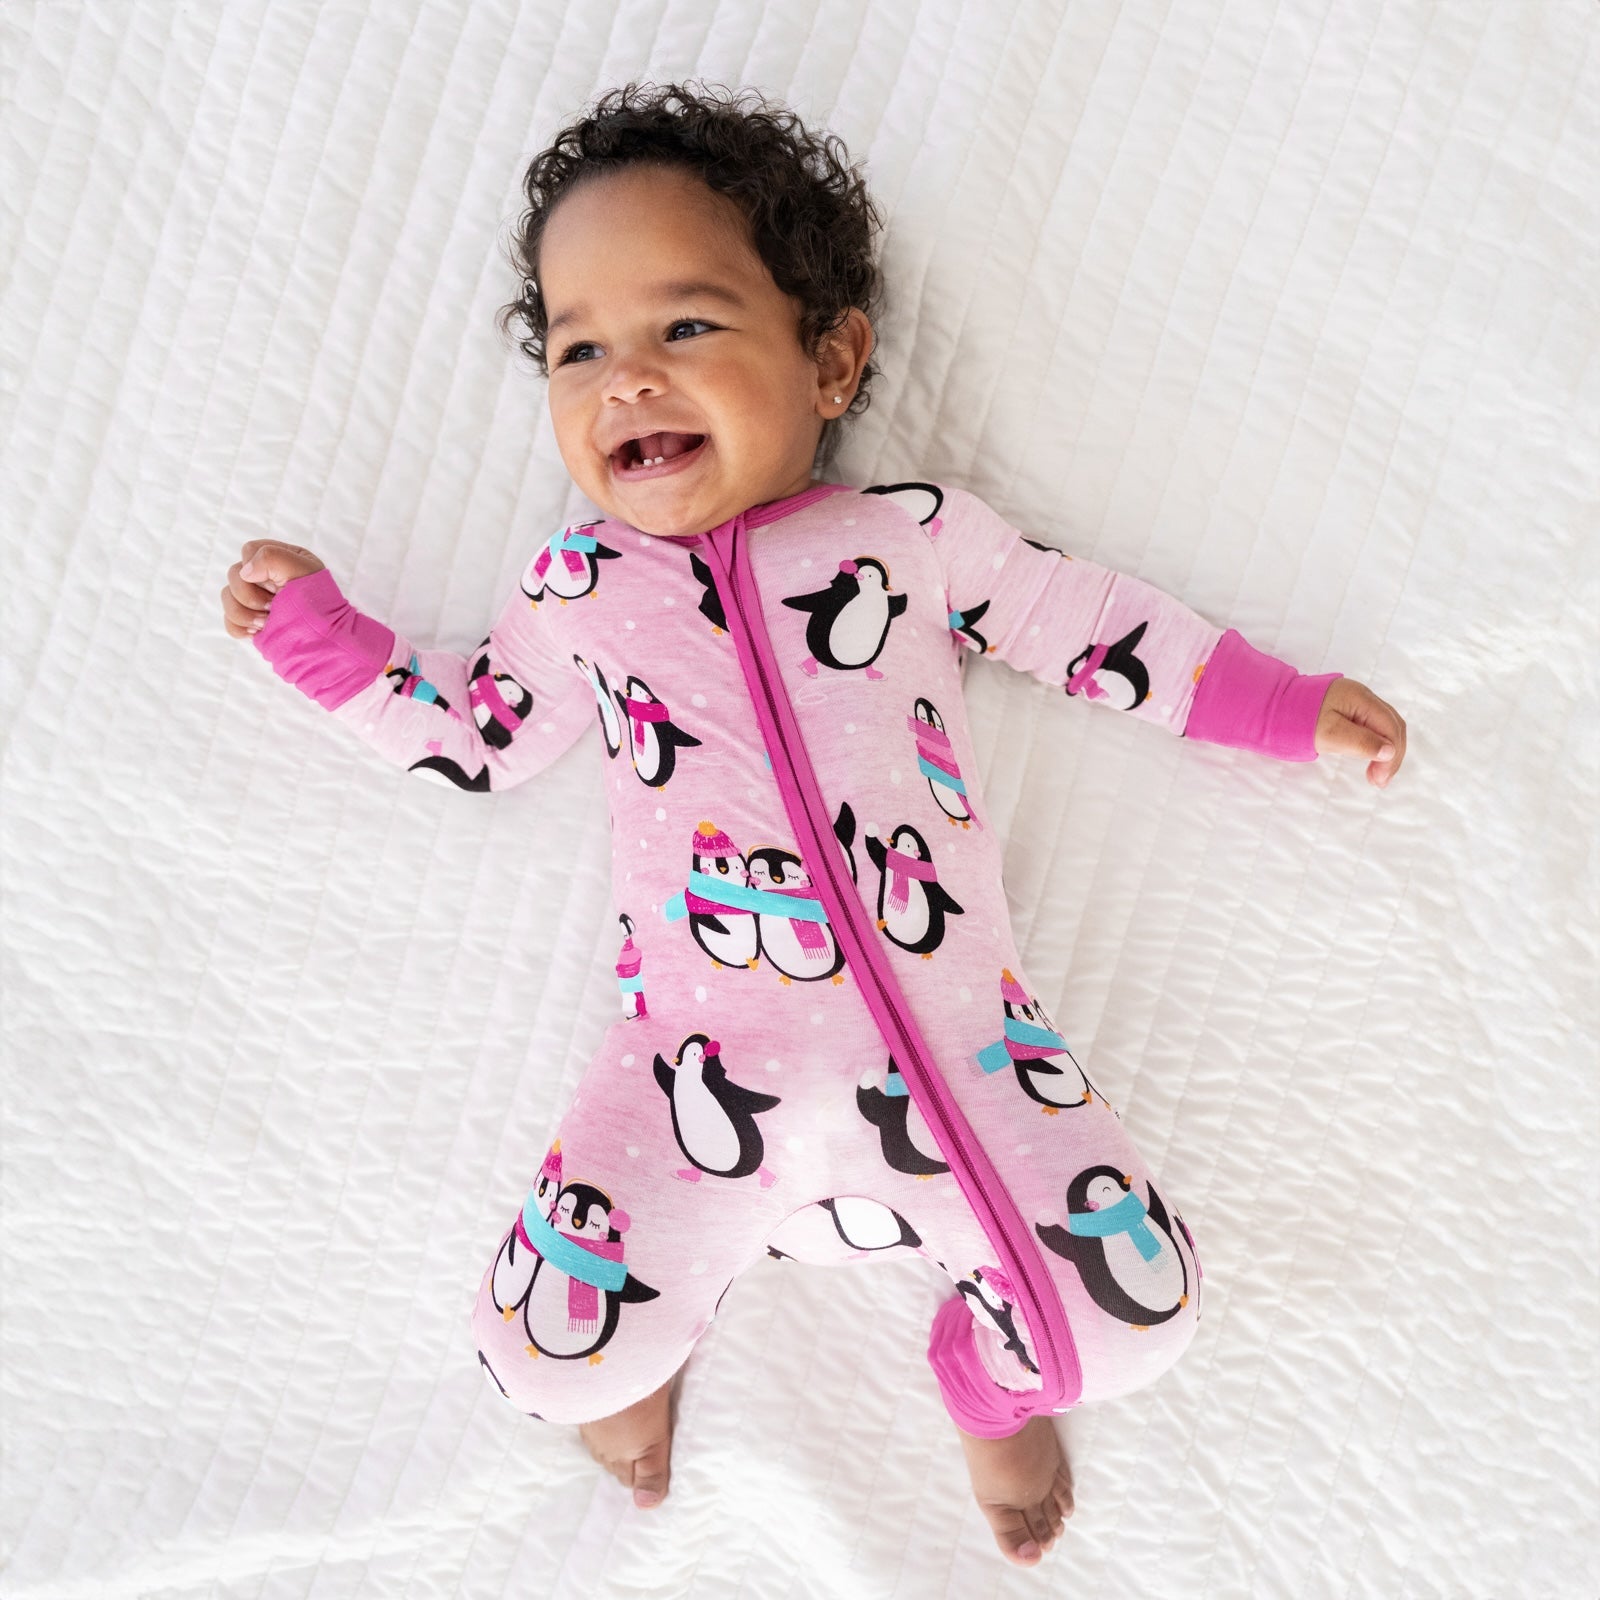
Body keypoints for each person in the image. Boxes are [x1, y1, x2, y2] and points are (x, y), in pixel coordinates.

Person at [219, 82, 1406, 1568]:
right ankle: (643, 1347)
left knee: (1135, 1323)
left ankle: (984, 1376)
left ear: (831, 358)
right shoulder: (581, 587)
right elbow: (476, 739)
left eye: (684, 327)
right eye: (580, 348)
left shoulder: (905, 541)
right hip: (693, 1073)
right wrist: (328, 646)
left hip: (964, 1060)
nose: (626, 381)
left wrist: (1285, 707)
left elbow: (1091, 628)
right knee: (536, 1359)